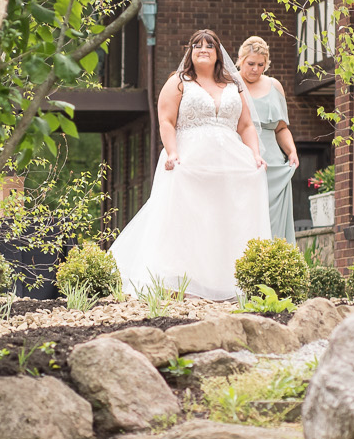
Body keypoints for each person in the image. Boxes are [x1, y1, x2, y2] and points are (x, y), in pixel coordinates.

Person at [108, 29, 270, 302]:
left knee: (225, 219)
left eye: (209, 45)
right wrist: (172, 153)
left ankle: (228, 283)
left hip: (230, 164)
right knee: (190, 220)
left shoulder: (233, 85)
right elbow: (166, 121)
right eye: (197, 45)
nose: (203, 48)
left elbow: (245, 125)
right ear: (190, 52)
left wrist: (255, 154)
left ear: (219, 53)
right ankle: (182, 283)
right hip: (190, 161)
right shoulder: (178, 82)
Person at [237, 35, 299, 242]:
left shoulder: (275, 86)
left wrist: (292, 151)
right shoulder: (229, 84)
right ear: (240, 60)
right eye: (251, 64)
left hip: (273, 162)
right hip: (241, 158)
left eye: (260, 65)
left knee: (273, 221)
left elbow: (281, 128)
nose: (255, 69)